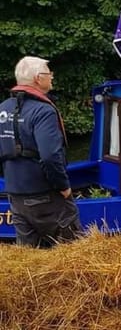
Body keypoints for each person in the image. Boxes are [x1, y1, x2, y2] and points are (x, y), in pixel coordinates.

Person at [0, 56, 82, 247]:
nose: (52, 77)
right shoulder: (43, 111)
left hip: (15, 196)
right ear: (38, 78)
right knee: (72, 253)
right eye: (48, 73)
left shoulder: (2, 109)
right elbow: (50, 156)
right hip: (46, 196)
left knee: (28, 257)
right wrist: (64, 187)